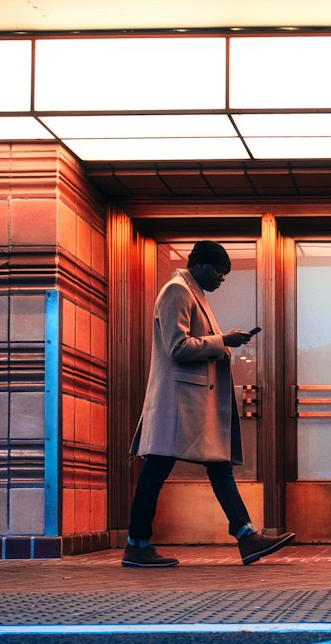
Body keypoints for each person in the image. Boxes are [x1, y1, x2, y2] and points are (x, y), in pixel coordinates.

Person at [122, 240, 294, 569]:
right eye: (218, 271)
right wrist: (223, 341)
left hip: (189, 403)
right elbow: (177, 347)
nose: (221, 279)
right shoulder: (177, 291)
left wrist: (223, 339)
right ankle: (137, 544)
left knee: (215, 466)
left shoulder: (191, 293)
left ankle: (246, 537)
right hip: (178, 403)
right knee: (157, 470)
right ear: (199, 265)